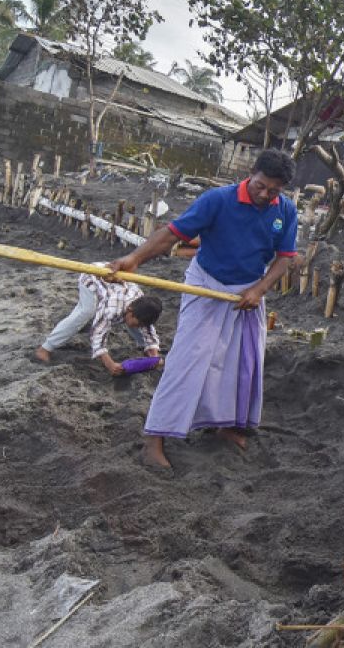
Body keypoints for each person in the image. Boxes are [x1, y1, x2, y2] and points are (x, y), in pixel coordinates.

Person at [108, 148, 300, 469]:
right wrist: (133, 259)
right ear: (250, 175)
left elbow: (285, 258)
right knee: (187, 359)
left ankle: (226, 426)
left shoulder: (287, 212)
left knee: (241, 363)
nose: (265, 194)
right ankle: (153, 439)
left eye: (274, 191)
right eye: (260, 186)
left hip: (248, 292)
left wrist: (259, 289)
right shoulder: (218, 200)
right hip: (206, 284)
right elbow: (172, 235)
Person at [34, 270, 162, 375]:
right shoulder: (112, 309)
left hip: (112, 286)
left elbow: (148, 329)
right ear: (129, 310)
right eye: (137, 322)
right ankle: (45, 348)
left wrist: (154, 355)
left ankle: (146, 350)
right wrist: (109, 364)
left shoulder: (141, 307)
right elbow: (98, 334)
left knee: (138, 325)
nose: (138, 326)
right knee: (84, 313)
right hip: (92, 278)